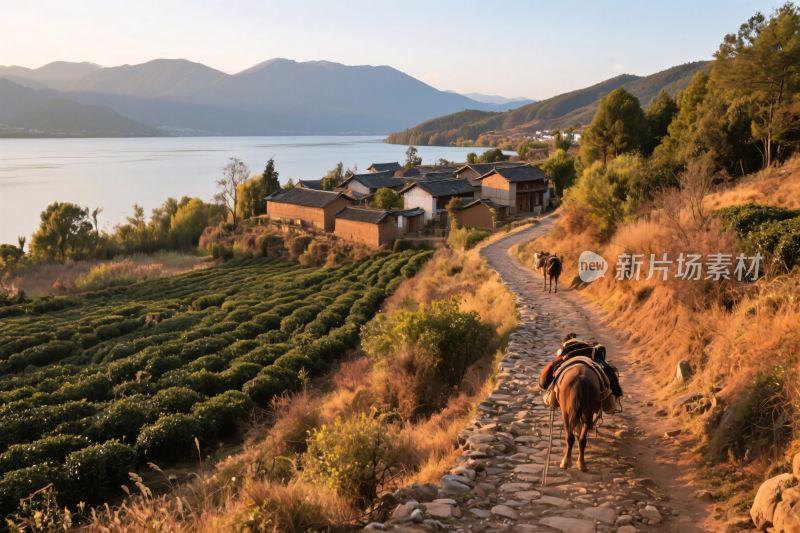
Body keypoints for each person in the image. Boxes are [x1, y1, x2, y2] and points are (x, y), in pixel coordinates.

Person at [538, 332, 623, 399]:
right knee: (607, 370)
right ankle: (615, 392)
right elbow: (603, 360)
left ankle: (551, 391)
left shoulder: (563, 350)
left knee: (552, 372)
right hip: (589, 356)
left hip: (567, 357)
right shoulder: (589, 348)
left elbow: (553, 363)